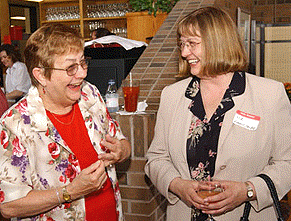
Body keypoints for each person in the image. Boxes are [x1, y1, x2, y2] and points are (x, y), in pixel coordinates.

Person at [145, 6, 291, 221]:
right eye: (182, 44)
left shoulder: (270, 94)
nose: (184, 53)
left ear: (217, 42)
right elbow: (156, 159)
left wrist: (248, 190)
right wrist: (177, 185)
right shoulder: (172, 95)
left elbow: (287, 162)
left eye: (192, 44)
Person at [0, 23, 131, 221]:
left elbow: (123, 144)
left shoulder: (90, 94)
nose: (82, 73)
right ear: (41, 75)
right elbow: (9, 206)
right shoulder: (14, 125)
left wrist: (121, 151)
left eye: (83, 62)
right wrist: (69, 191)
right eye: (71, 67)